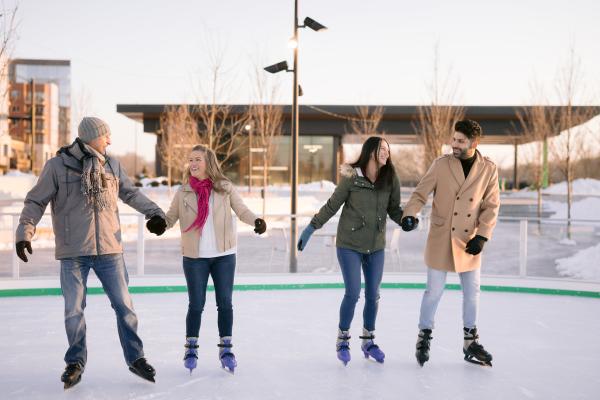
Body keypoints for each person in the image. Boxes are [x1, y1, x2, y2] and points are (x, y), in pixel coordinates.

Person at [15, 117, 167, 388]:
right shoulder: (58, 166)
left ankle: (136, 358)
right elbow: (36, 200)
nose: (110, 140)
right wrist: (24, 232)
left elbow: (130, 194)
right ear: (91, 137)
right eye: (106, 135)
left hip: (110, 249)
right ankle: (75, 362)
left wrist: (155, 214)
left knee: (125, 307)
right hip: (74, 251)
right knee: (74, 310)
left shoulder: (111, 164)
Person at [401, 119, 500, 367]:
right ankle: (424, 336)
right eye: (453, 139)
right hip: (441, 236)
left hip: (469, 239)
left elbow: (491, 205)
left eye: (460, 141)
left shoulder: (489, 169)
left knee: (472, 293)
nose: (454, 144)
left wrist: (482, 235)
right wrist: (410, 214)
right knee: (433, 291)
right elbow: (420, 194)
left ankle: (470, 341)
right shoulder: (441, 164)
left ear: (474, 143)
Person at [297, 136, 403, 366]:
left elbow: (395, 209)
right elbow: (333, 205)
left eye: (388, 149)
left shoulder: (390, 178)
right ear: (370, 151)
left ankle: (368, 340)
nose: (386, 153)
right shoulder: (352, 177)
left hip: (375, 246)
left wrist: (406, 220)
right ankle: (343, 339)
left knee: (373, 295)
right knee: (353, 292)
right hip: (349, 245)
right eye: (381, 149)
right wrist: (311, 228)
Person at [164, 144, 266, 374]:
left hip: (223, 256)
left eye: (197, 159)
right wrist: (161, 223)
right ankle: (191, 347)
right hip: (195, 257)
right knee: (196, 304)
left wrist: (256, 221)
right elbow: (170, 217)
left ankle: (226, 348)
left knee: (225, 303)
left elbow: (242, 211)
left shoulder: (224, 188)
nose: (193, 164)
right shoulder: (183, 192)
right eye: (190, 160)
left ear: (208, 162)